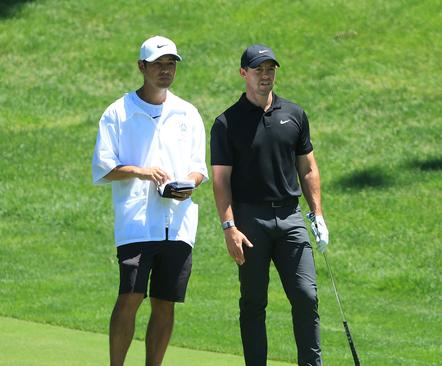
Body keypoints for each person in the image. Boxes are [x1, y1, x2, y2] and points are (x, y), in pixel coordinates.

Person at [92, 35, 209, 366]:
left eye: (171, 63)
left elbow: (198, 167)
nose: (166, 70)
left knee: (164, 301)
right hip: (136, 223)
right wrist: (141, 172)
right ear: (141, 67)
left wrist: (188, 184)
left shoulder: (188, 113)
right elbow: (104, 167)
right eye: (158, 64)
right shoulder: (118, 112)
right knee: (130, 296)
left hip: (179, 223)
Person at [210, 44, 330, 366]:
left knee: (306, 296)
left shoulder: (294, 114)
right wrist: (229, 226)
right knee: (253, 302)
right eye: (258, 69)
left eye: (270, 69)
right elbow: (220, 181)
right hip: (250, 221)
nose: (266, 75)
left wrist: (317, 214)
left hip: (291, 218)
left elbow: (308, 167)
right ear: (243, 74)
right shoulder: (226, 123)